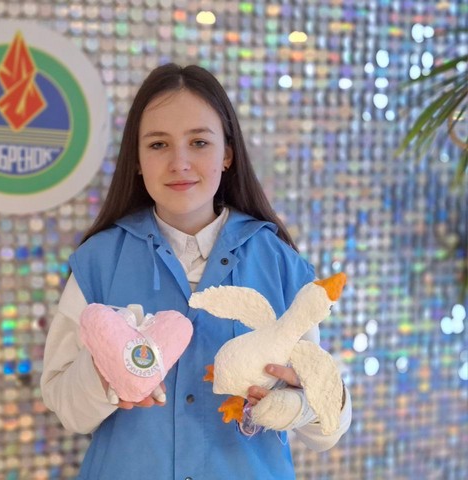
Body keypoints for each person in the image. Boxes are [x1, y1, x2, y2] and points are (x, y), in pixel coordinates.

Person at [40, 63, 352, 479]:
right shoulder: (98, 261)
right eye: (158, 145)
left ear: (227, 154)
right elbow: (66, 408)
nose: (180, 162)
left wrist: (302, 400)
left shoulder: (279, 263)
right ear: (137, 159)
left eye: (199, 142)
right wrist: (105, 376)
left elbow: (328, 431)